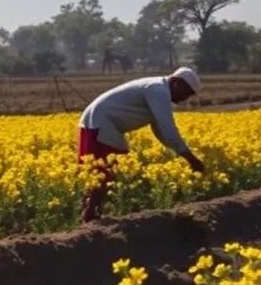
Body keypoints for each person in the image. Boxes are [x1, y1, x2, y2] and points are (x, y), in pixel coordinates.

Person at [77, 66, 206, 223]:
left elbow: (160, 130)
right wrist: (191, 158)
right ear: (177, 82)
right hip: (101, 122)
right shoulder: (158, 90)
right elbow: (167, 127)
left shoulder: (159, 89)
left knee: (103, 172)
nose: (186, 98)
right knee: (104, 171)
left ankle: (89, 214)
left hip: (99, 120)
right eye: (187, 92)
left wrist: (182, 152)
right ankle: (90, 215)